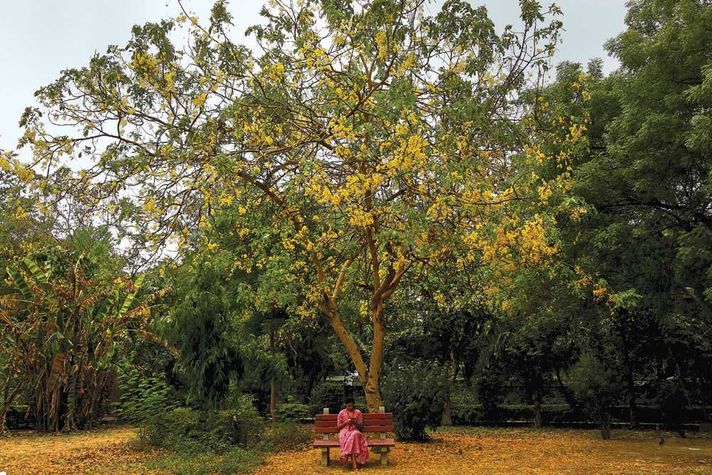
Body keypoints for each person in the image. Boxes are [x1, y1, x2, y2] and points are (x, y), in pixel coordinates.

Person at [336, 398, 369, 470]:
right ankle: (354, 465)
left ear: (354, 405)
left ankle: (345, 454)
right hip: (344, 433)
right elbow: (338, 428)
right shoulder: (341, 413)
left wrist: (355, 423)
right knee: (354, 439)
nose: (350, 407)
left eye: (351, 406)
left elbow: (361, 428)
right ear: (346, 405)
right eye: (348, 406)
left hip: (355, 431)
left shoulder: (358, 413)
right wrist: (346, 423)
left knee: (355, 434)